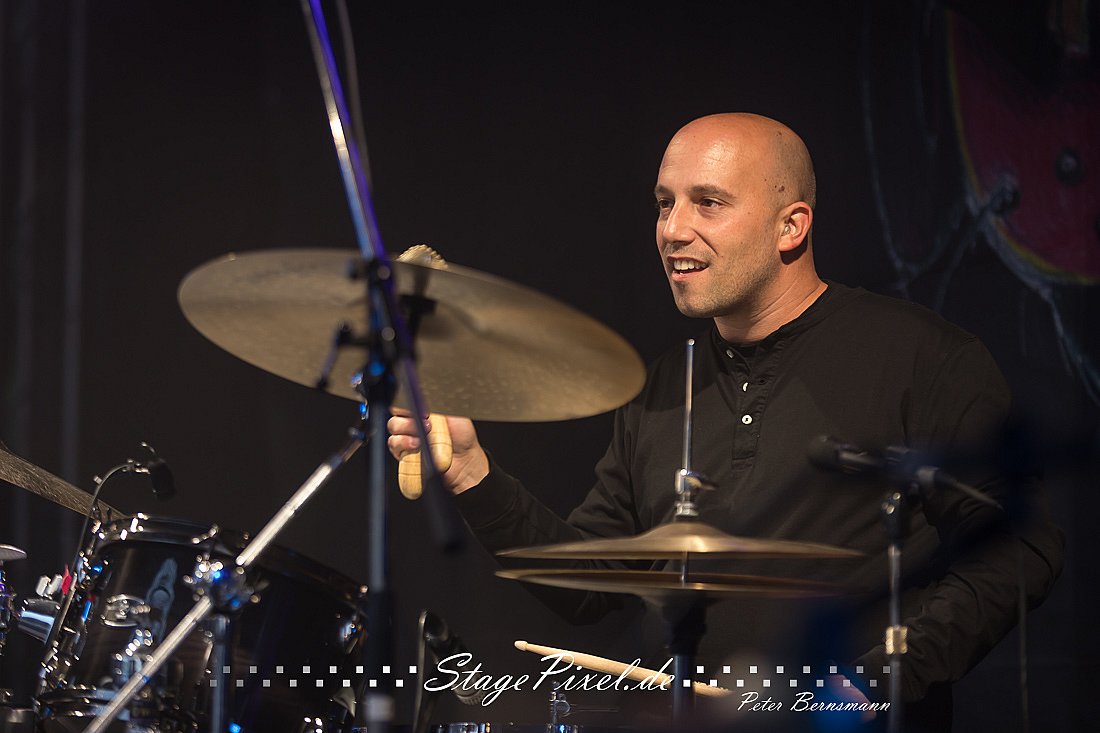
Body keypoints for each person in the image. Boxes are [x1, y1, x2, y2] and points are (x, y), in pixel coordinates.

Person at [387, 113, 1063, 730]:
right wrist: (471, 471)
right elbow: (591, 588)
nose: (672, 229)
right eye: (664, 203)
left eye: (707, 202)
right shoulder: (661, 388)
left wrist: (879, 677)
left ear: (791, 226)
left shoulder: (921, 357)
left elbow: (1020, 548)